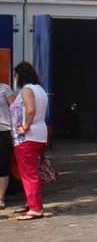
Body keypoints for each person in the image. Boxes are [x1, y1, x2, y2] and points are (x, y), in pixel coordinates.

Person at [9, 61, 49, 220]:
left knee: (28, 172)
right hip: (39, 134)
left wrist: (25, 127)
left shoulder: (27, 90)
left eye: (16, 75)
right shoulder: (40, 89)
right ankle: (31, 202)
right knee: (31, 171)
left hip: (28, 136)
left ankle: (35, 208)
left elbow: (30, 110)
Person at [0, 80, 15, 210]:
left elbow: (15, 109)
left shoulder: (5, 89)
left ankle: (0, 198)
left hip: (4, 132)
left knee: (2, 165)